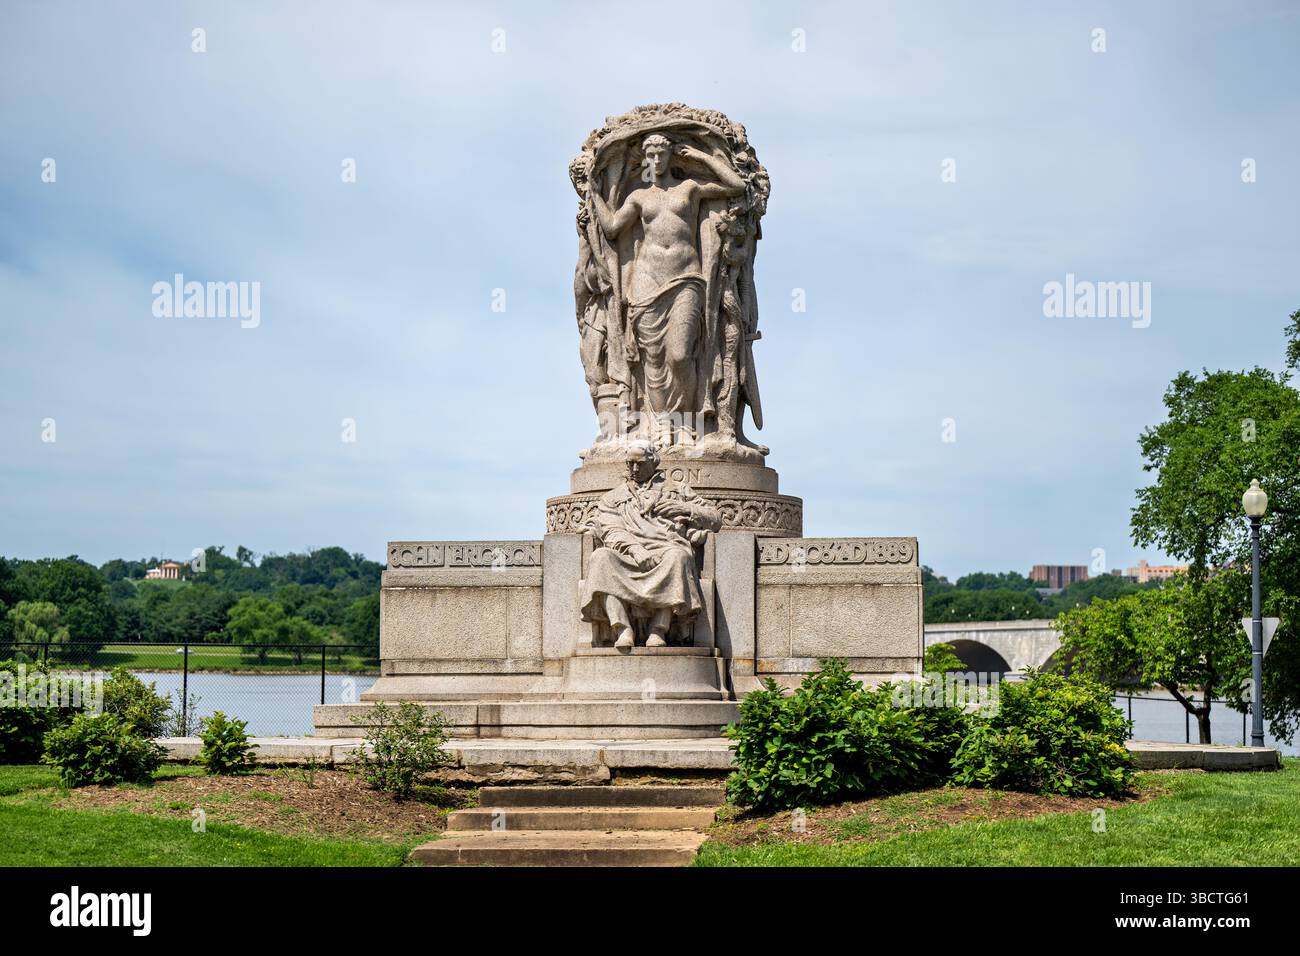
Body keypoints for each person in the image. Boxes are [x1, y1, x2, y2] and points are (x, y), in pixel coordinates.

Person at [579, 441, 721, 649]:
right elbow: (611, 530)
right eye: (630, 464)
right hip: (630, 553)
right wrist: (636, 550)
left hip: (666, 549)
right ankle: (622, 628)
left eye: (640, 464)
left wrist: (683, 508)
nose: (634, 469)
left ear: (653, 463)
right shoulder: (613, 498)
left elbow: (715, 518)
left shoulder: (676, 491)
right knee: (600, 558)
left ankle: (658, 629)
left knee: (678, 556)